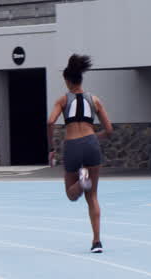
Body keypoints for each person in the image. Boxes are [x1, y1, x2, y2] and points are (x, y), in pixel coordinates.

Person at [46, 54, 113, 253]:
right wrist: (94, 137)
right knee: (92, 197)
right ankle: (97, 242)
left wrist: (51, 149)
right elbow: (109, 131)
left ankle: (81, 181)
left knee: (71, 195)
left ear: (67, 81)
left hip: (72, 145)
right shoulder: (95, 100)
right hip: (91, 143)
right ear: (81, 79)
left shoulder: (63, 100)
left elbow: (50, 122)